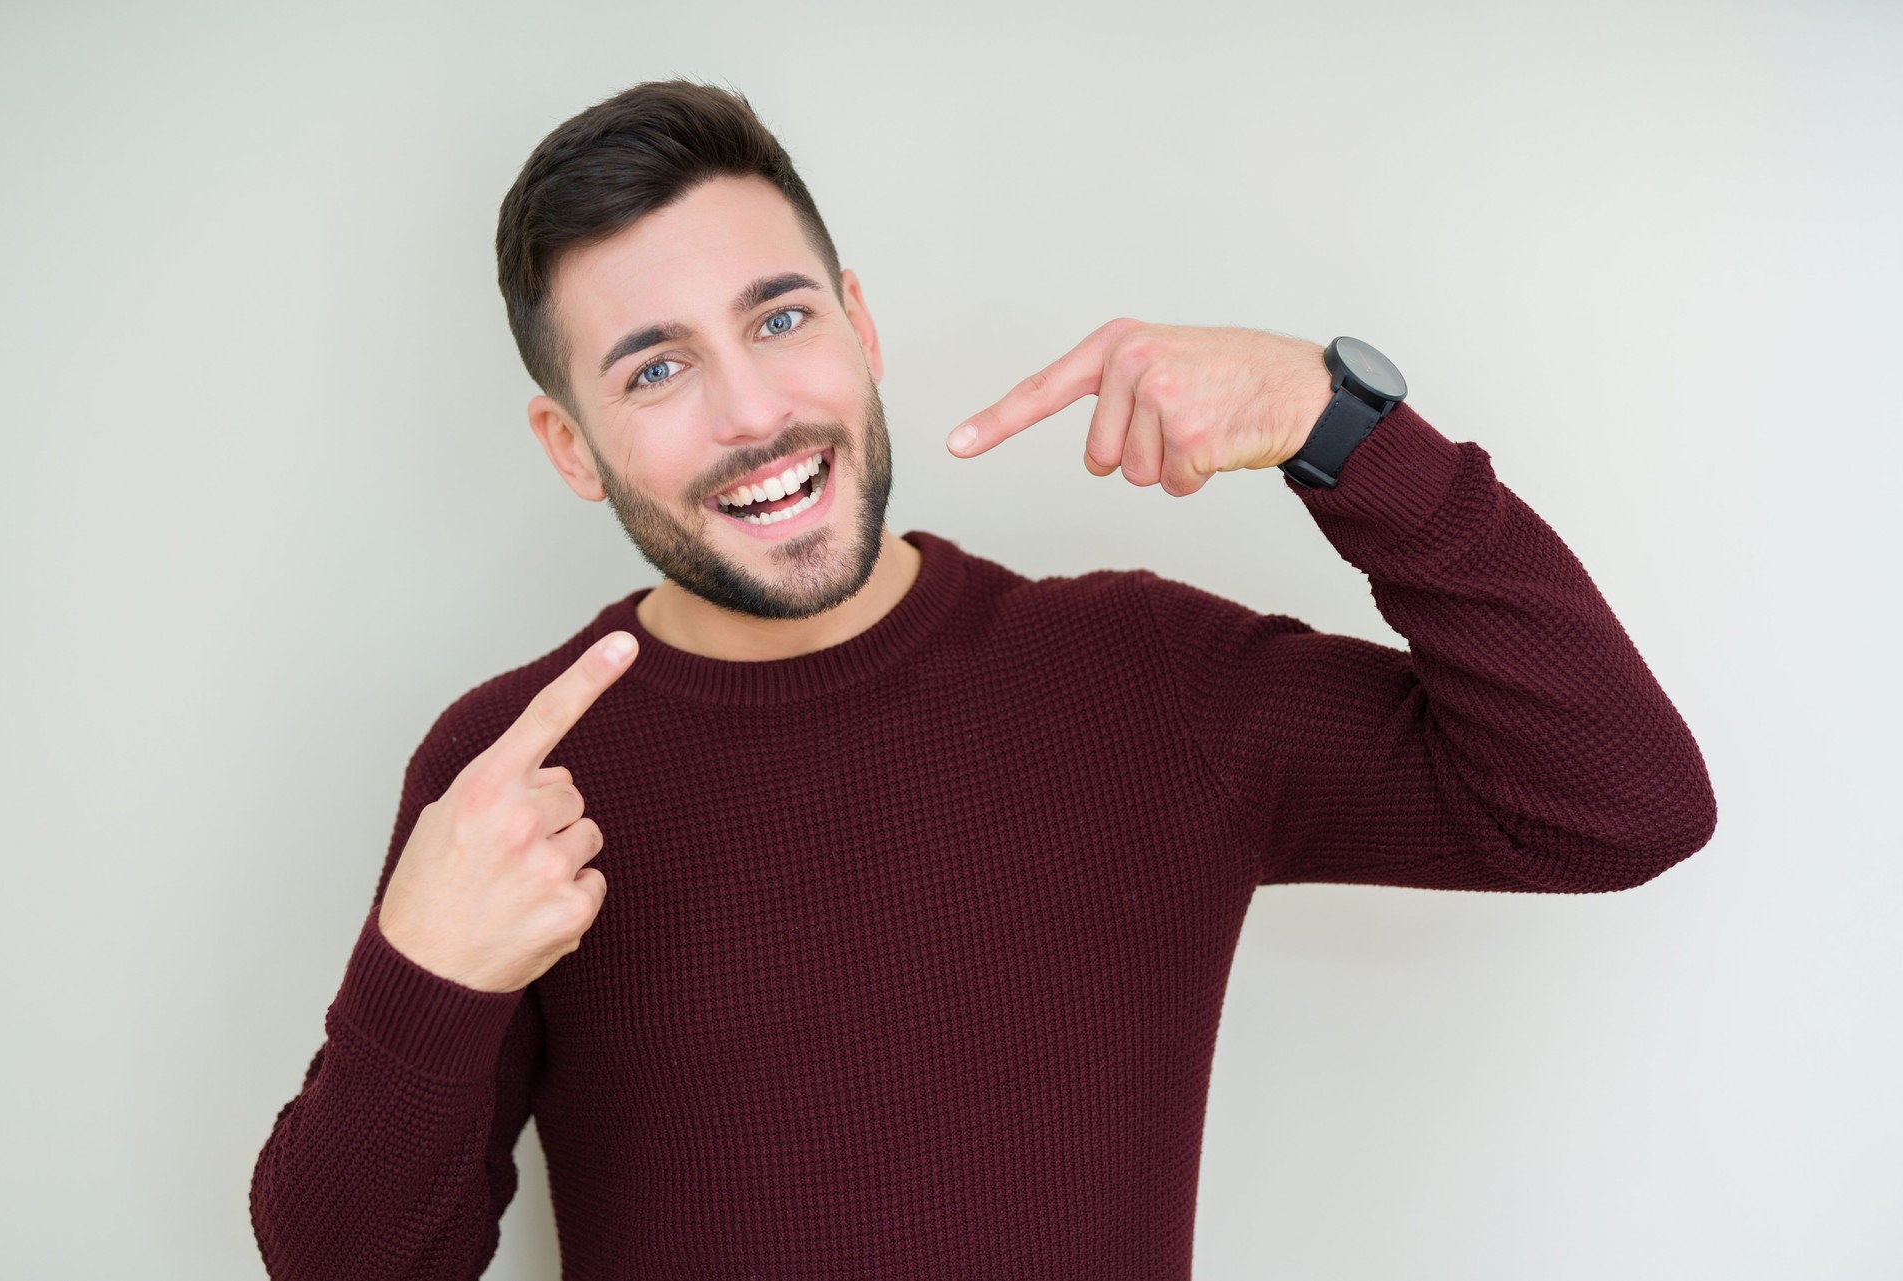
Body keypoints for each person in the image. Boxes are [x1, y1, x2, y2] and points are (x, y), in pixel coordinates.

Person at [249, 78, 1717, 1280]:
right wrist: (423, 975)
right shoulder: (511, 776)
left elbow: (1615, 802)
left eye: (779, 319)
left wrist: (1341, 428)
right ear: (570, 445)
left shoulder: (1143, 680)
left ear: (860, 324)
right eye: (654, 370)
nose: (756, 413)